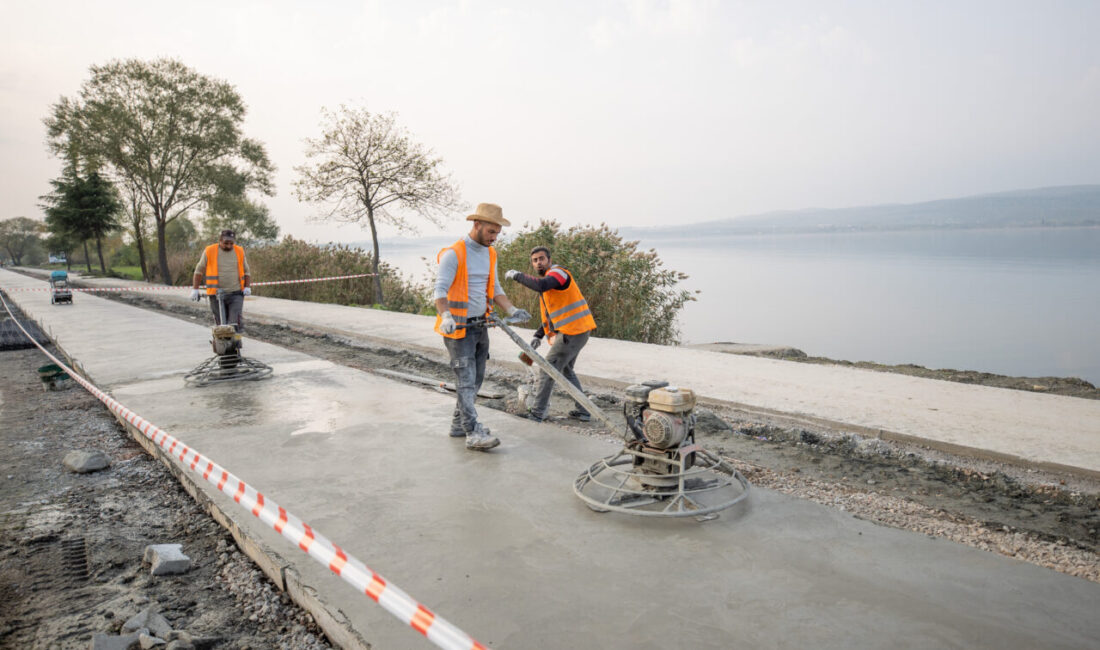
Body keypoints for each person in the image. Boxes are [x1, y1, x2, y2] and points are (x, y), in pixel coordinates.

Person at [434, 203, 531, 451]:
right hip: (458, 330)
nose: (494, 237)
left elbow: (495, 288)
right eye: (491, 232)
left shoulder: (490, 254)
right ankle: (472, 432)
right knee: (466, 381)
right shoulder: (454, 254)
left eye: (497, 233)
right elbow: (440, 291)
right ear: (476, 225)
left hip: (480, 326)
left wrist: (512, 310)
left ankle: (458, 425)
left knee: (475, 381)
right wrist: (446, 316)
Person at [504, 246, 597, 422]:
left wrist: (517, 275)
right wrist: (538, 336)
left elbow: (541, 285)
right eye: (535, 260)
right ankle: (584, 410)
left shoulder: (559, 273)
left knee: (547, 370)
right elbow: (552, 315)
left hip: (572, 332)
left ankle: (537, 413)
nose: (538, 262)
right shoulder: (550, 282)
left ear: (549, 260)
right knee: (566, 370)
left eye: (541, 259)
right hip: (576, 331)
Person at [191, 229, 251, 331]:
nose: (229, 246)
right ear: (220, 240)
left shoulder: (239, 251)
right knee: (220, 325)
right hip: (215, 295)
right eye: (226, 243)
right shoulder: (210, 251)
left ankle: (235, 339)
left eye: (231, 243)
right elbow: (199, 271)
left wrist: (247, 287)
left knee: (234, 323)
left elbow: (246, 271)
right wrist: (195, 289)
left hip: (236, 293)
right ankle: (221, 340)